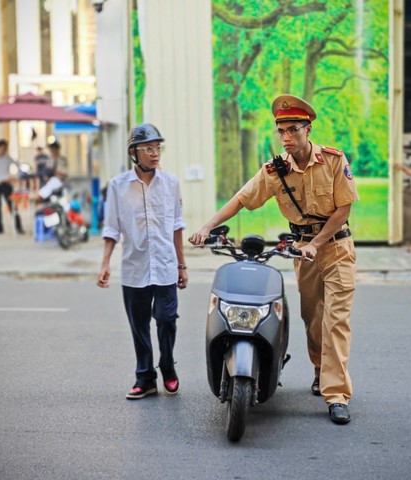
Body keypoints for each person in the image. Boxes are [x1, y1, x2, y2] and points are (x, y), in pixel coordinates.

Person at [189, 94, 359, 425]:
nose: (286, 138)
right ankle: (319, 370)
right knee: (313, 319)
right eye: (281, 131)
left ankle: (336, 393)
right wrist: (206, 226)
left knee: (335, 320)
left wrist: (318, 242)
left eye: (293, 130)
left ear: (308, 130)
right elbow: (241, 199)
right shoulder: (274, 170)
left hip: (336, 247)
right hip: (302, 251)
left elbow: (343, 210)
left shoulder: (335, 161)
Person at [97, 123, 188, 400]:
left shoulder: (170, 183)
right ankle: (145, 377)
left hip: (165, 266)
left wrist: (182, 265)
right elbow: (111, 228)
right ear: (134, 152)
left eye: (157, 148)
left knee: (166, 319)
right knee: (138, 326)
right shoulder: (118, 186)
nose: (155, 153)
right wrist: (105, 263)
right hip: (134, 267)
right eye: (148, 148)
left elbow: (176, 226)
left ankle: (168, 368)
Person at [0, 139, 23, 235]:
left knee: (11, 205)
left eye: (5, 148)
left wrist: (14, 177)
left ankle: (18, 227)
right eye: (2, 148)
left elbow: (19, 167)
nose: (4, 150)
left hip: (5, 183)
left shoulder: (8, 158)